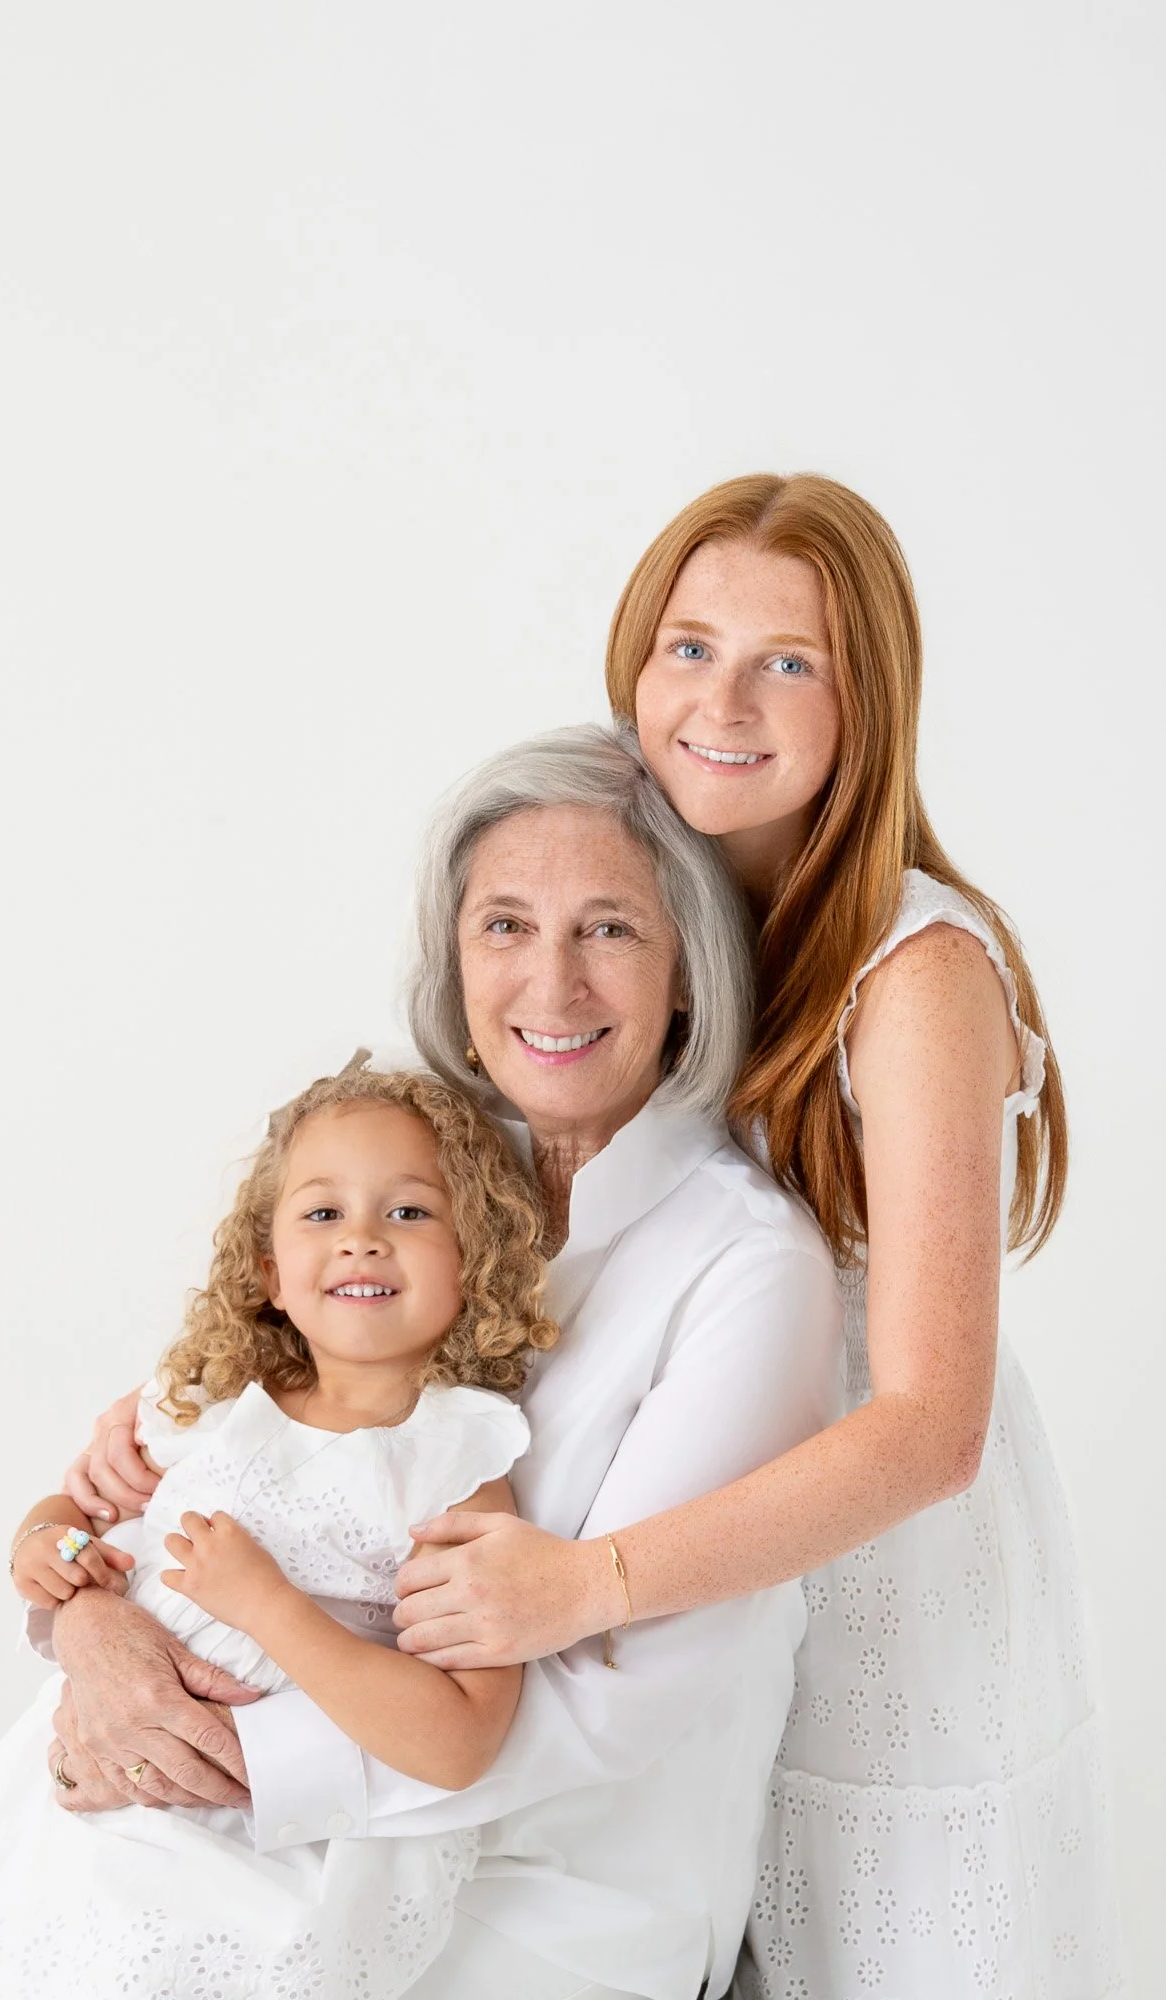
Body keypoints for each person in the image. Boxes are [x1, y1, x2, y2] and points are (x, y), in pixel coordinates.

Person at [391, 476, 1124, 1997]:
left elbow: (929, 1429)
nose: (721, 699)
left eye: (788, 662)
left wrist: (588, 1588)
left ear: (869, 702)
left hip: (869, 1579)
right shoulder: (631, 883)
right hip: (687, 1548)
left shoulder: (913, 975)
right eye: (688, 646)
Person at [53, 726, 846, 1999]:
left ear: (687, 969)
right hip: (272, 1814)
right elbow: (182, 1460)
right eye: (505, 926)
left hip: (558, 1876)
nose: (552, 983)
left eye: (610, 929)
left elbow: (606, 1694)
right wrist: (94, 1628)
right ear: (453, 955)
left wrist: (222, 1753)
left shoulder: (750, 1268)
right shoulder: (403, 1164)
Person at [0, 1067, 556, 2000]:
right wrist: (47, 1546)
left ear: (473, 1254)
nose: (360, 1237)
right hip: (83, 1808)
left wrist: (269, 1608)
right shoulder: (203, 1405)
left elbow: (459, 1742)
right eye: (322, 1214)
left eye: (408, 1213)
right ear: (270, 1270)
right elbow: (69, 1520)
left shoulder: (455, 1464)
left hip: (268, 1849)